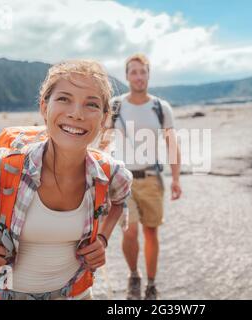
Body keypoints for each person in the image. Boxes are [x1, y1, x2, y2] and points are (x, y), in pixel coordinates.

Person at [0, 59, 133, 300]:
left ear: (103, 118)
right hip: (7, 293)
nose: (76, 114)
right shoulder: (3, 165)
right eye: (64, 99)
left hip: (77, 294)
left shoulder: (111, 173)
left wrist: (103, 238)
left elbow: (121, 199)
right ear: (43, 107)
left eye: (91, 104)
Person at [104, 53, 182, 300]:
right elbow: (104, 143)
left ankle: (151, 282)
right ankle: (134, 274)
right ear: (127, 76)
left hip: (151, 179)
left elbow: (172, 145)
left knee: (151, 233)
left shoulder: (160, 107)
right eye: (133, 72)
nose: (138, 76)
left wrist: (176, 179)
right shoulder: (115, 105)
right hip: (122, 180)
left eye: (143, 72)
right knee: (129, 230)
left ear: (148, 74)